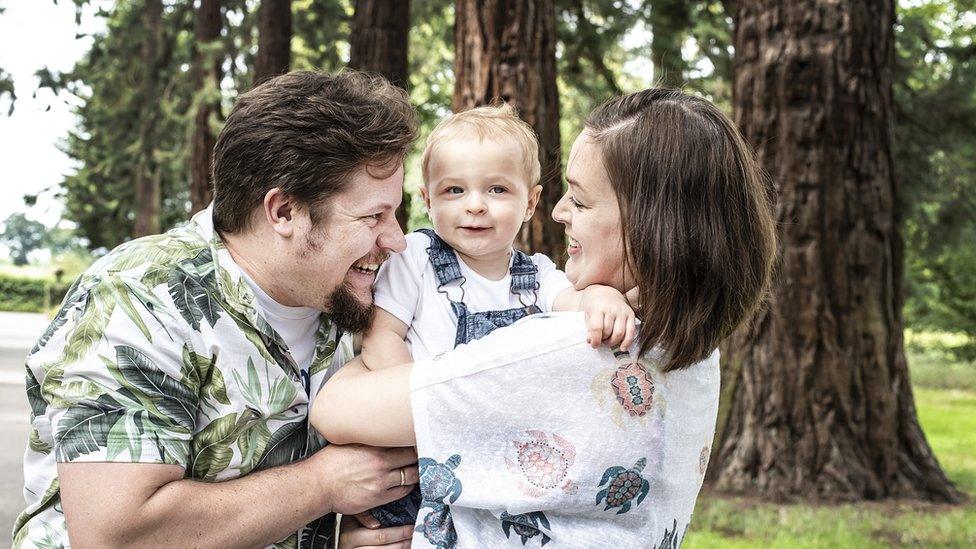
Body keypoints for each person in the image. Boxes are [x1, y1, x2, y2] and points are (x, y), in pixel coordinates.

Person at [315, 88, 777, 548]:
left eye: (579, 199)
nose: (559, 212)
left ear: (648, 222)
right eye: (455, 190)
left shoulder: (572, 349)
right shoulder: (693, 352)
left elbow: (335, 408)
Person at [15, 70, 423, 548]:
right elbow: (116, 535)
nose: (396, 240)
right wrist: (321, 486)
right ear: (284, 212)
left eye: (394, 213)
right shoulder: (139, 297)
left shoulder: (357, 302)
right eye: (373, 216)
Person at [339, 103, 636, 529]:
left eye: (496, 190)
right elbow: (381, 337)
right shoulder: (417, 259)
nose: (475, 205)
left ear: (530, 201)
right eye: (454, 191)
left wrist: (602, 297)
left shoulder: (536, 274)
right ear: (427, 200)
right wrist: (419, 409)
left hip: (500, 453)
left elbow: (575, 302)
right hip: (419, 447)